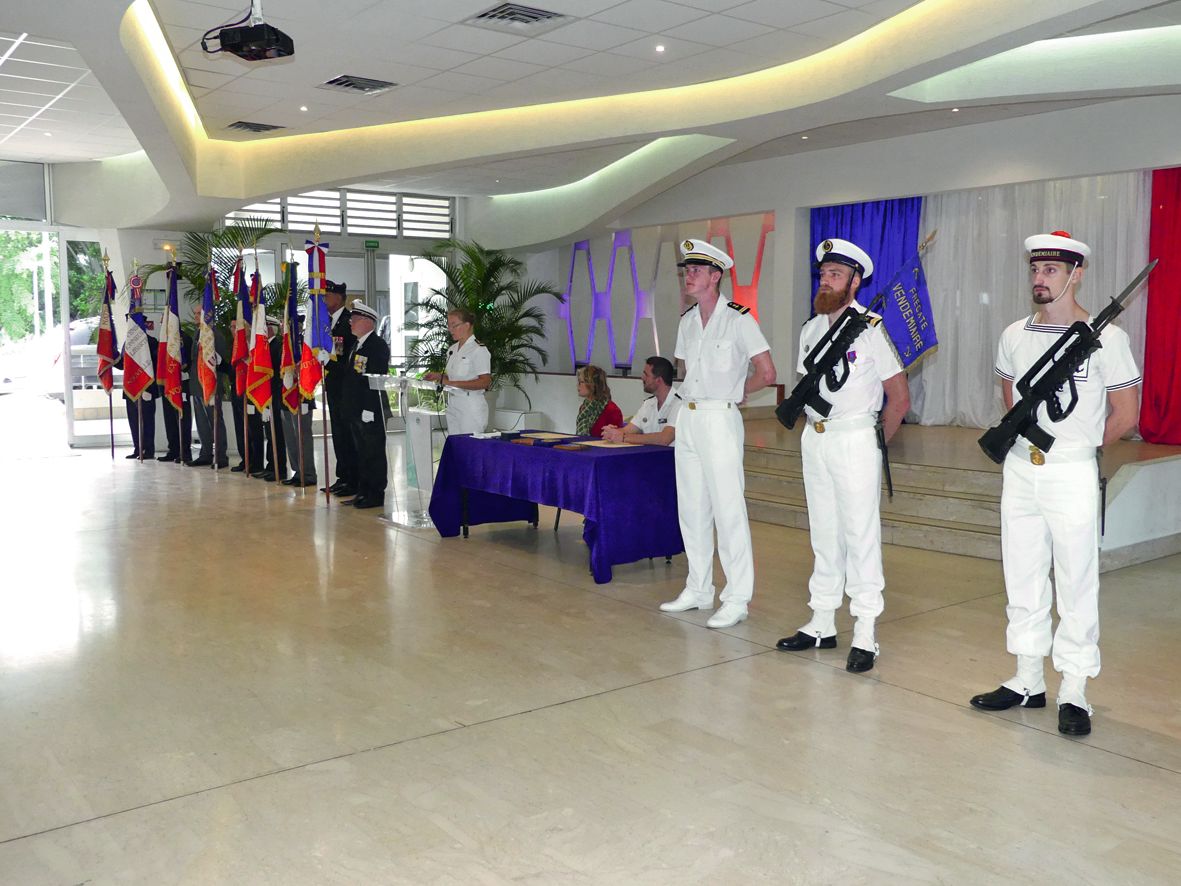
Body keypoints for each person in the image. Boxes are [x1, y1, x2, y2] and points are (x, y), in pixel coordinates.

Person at [970, 231, 1140, 737]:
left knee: (1075, 580)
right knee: (1021, 575)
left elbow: (1125, 413)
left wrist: (1078, 449)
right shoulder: (1014, 334)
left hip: (1070, 469)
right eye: (1035, 270)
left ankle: (1073, 689)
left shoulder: (1109, 337)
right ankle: (1026, 678)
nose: (1040, 279)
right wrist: (1033, 445)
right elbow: (1011, 399)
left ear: (1076, 273)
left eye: (1051, 271)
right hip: (1022, 467)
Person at [776, 238, 910, 673]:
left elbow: (899, 398)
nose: (826, 281)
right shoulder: (810, 329)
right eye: (823, 274)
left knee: (860, 535)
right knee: (824, 533)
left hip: (855, 437)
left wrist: (874, 443)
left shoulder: (870, 328)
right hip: (816, 438)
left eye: (836, 275)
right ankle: (821, 621)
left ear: (855, 282)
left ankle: (866, 631)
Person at [659, 239, 776, 629]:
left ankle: (737, 597)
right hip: (689, 416)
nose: (688, 276)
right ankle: (698, 587)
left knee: (728, 510)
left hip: (719, 417)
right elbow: (685, 373)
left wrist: (740, 392)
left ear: (715, 276)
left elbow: (768, 372)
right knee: (691, 507)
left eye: (695, 270)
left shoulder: (739, 318)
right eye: (686, 270)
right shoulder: (687, 321)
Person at [340, 300, 391, 509]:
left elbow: (376, 379)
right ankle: (363, 490)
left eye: (355, 319)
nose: (351, 322)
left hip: (371, 407)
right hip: (356, 408)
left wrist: (369, 408)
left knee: (373, 451)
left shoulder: (376, 346)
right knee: (361, 451)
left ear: (367, 321)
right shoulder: (357, 344)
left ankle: (375, 493)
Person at [316, 281, 357, 494]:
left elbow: (346, 358)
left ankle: (352, 479)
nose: (325, 300)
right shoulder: (328, 322)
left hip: (345, 386)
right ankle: (342, 476)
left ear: (340, 297)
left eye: (328, 296)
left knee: (347, 434)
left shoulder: (348, 322)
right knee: (338, 433)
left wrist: (329, 362)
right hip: (333, 385)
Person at [424, 308, 492, 436]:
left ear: (467, 325)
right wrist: (439, 376)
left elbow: (485, 382)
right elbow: (454, 376)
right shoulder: (453, 349)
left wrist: (450, 382)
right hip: (454, 403)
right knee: (455, 446)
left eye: (454, 325)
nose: (450, 330)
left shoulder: (479, 350)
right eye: (449, 326)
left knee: (469, 447)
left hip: (470, 405)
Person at [602, 356, 682, 446]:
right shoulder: (648, 404)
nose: (642, 378)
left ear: (658, 380)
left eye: (646, 375)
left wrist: (623, 437)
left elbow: (664, 439)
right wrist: (614, 432)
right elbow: (628, 430)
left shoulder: (680, 404)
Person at [187, 306, 229, 469]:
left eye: (199, 314)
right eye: (195, 313)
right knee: (201, 421)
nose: (196, 316)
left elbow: (220, 361)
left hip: (211, 385)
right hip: (197, 384)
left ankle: (220, 455)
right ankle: (205, 454)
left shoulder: (215, 335)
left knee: (215, 420)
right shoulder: (198, 333)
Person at [279, 313, 318, 487]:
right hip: (287, 395)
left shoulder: (305, 344)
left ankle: (308, 473)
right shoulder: (285, 344)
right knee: (291, 437)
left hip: (302, 396)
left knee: (303, 436)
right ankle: (297, 471)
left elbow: (312, 367)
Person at [251, 316, 287, 481]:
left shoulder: (277, 346)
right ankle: (270, 465)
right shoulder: (265, 347)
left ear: (271, 328)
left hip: (274, 396)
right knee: (269, 432)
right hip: (267, 397)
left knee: (276, 434)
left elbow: (276, 376)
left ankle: (278, 467)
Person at [159, 328, 192, 463]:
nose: (163, 324)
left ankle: (185, 452)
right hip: (167, 384)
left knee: (183, 419)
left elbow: (188, 360)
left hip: (180, 384)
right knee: (169, 419)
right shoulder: (164, 339)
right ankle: (173, 450)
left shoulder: (184, 337)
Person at [575, 365, 623, 438]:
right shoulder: (584, 407)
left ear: (592, 384)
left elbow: (617, 438)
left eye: (581, 382)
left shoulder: (611, 410)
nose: (577, 385)